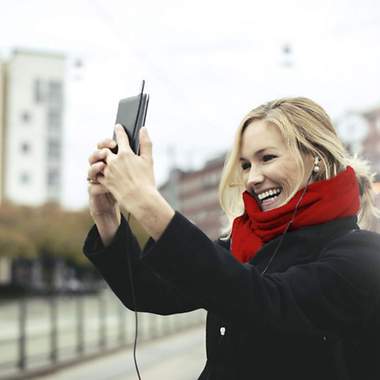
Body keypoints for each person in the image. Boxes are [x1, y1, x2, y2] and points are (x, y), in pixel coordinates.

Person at [83, 97, 380, 380]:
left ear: (315, 158)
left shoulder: (362, 254)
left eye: (267, 158)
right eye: (247, 164)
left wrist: (148, 203)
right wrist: (107, 216)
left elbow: (264, 302)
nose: (252, 178)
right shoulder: (242, 241)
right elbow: (149, 289)